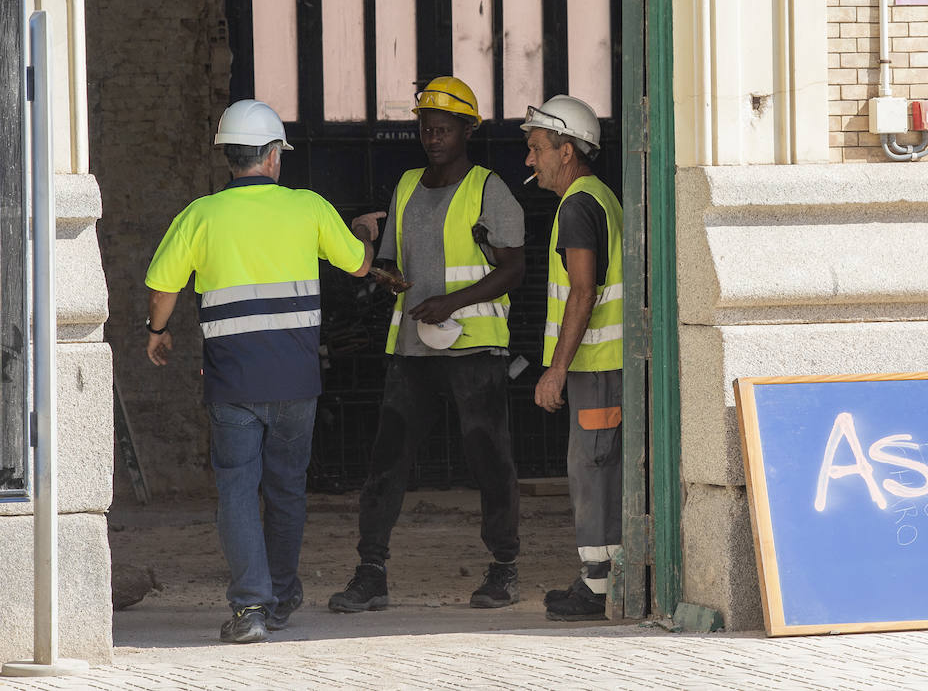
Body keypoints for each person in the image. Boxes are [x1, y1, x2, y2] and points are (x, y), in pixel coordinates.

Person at [144, 99, 377, 643]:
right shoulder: (310, 208)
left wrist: (157, 332)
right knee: (287, 489)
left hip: (232, 383)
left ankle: (250, 608)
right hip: (296, 381)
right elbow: (360, 264)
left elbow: (163, 289)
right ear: (274, 156)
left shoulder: (199, 215)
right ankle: (281, 598)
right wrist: (363, 230)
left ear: (229, 156)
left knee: (236, 490)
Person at [329, 75, 526, 614]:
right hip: (412, 350)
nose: (432, 136)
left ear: (467, 129)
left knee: (489, 458)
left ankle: (503, 569)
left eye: (443, 128)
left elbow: (513, 269)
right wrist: (387, 276)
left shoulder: (490, 189)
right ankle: (370, 572)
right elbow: (392, 259)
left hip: (476, 349)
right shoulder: (407, 185)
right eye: (425, 127)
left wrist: (453, 302)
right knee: (386, 461)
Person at [520, 95, 624, 621]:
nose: (529, 160)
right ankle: (602, 579)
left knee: (592, 470)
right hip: (601, 365)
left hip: (595, 367)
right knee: (598, 467)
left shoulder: (577, 206)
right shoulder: (597, 197)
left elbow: (582, 292)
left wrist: (556, 369)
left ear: (567, 150)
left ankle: (598, 587)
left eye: (537, 148)